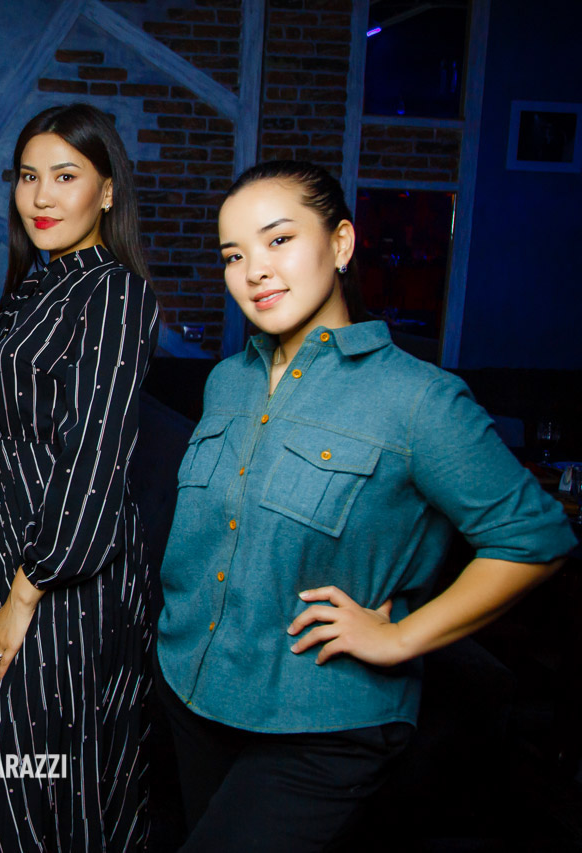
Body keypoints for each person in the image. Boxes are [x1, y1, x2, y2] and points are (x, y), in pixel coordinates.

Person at [156, 160, 577, 851]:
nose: (254, 270)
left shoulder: (418, 398)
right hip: (194, 692)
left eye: (279, 239)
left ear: (342, 243)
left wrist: (400, 636)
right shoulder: (226, 382)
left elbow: (536, 538)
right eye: (233, 255)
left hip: (320, 720)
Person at [0, 102, 160, 851]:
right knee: (19, 788)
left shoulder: (114, 291)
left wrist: (27, 593)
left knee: (37, 793)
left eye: (65, 176)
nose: (41, 197)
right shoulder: (36, 286)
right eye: (27, 177)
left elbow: (96, 460)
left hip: (70, 585)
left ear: (107, 191)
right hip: (13, 566)